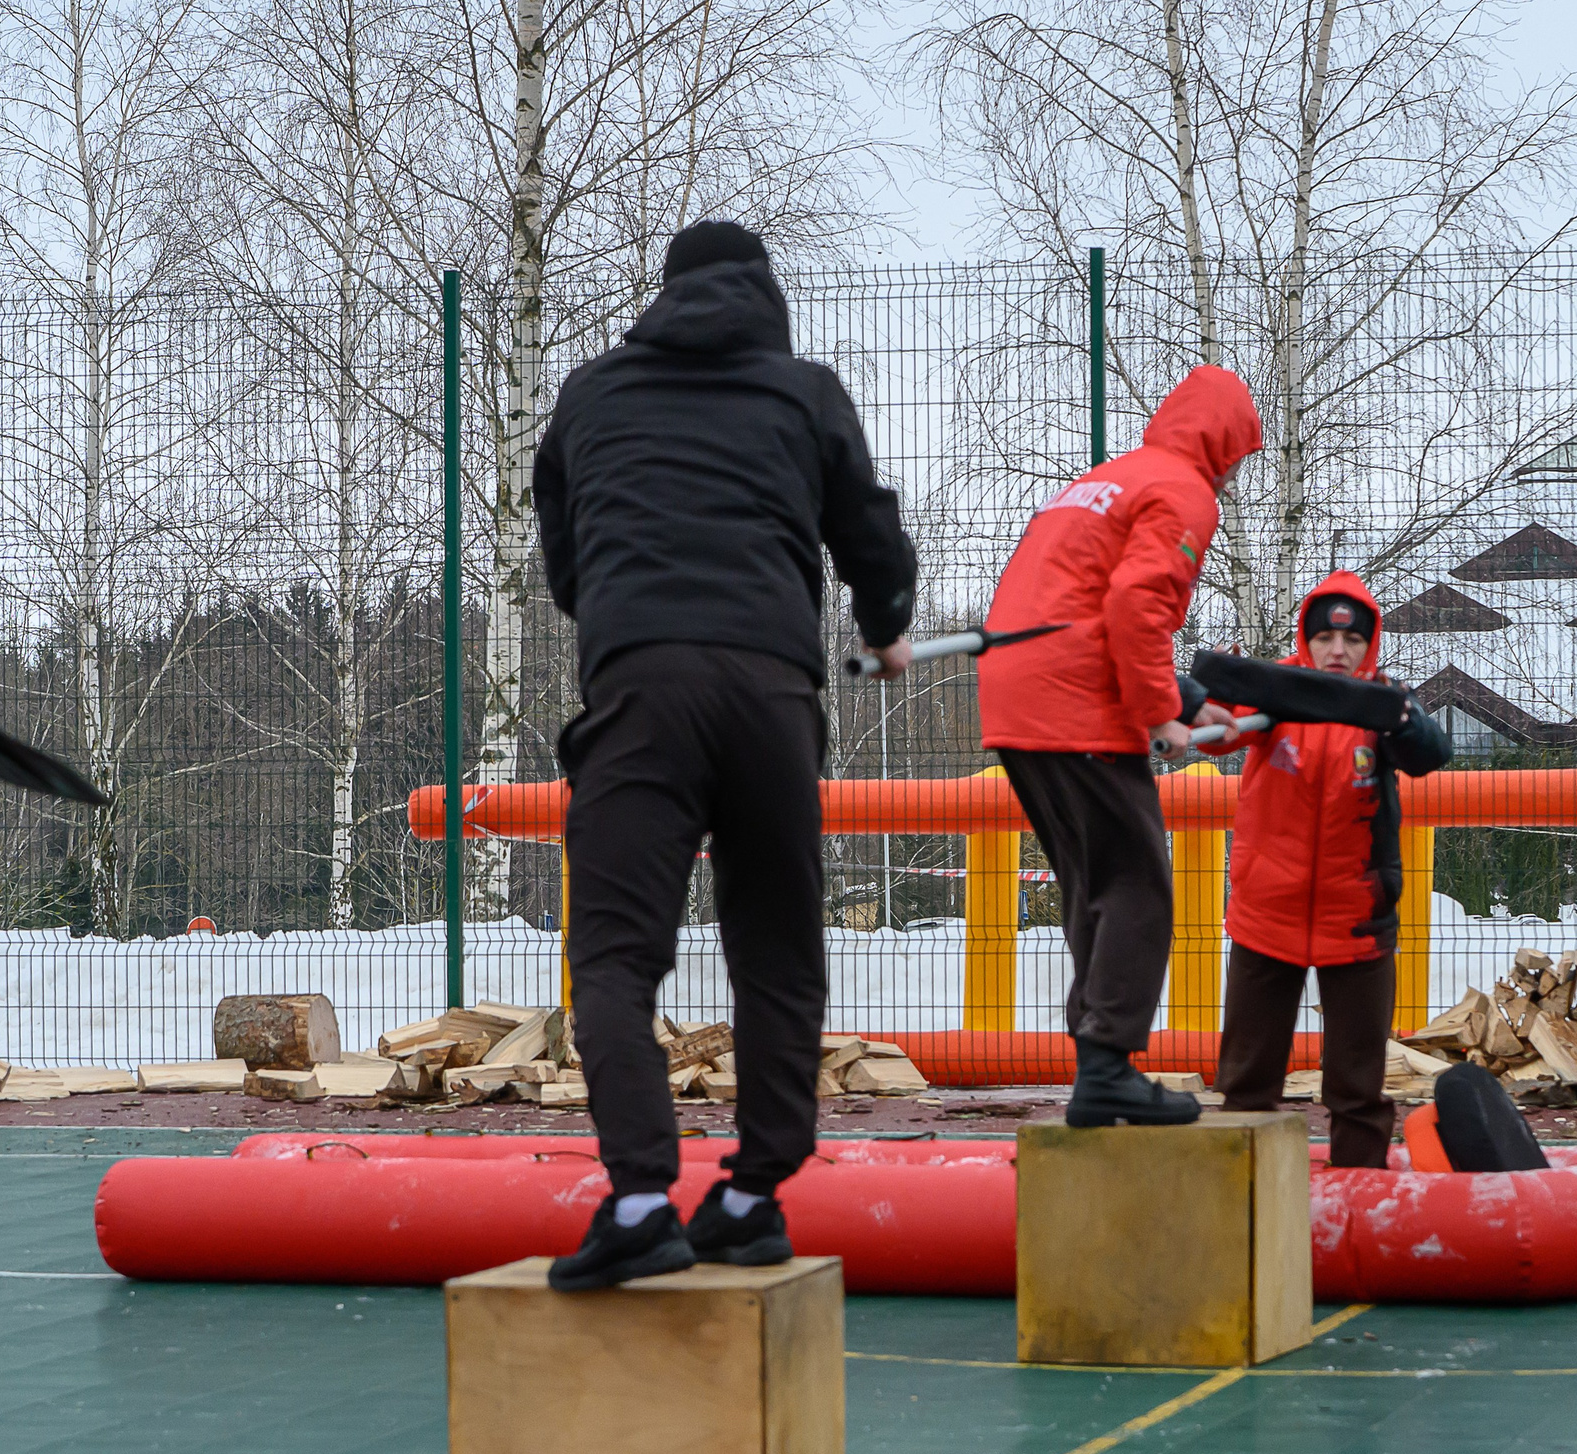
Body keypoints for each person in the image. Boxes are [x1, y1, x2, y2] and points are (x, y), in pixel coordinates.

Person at [531, 220, 918, 1291]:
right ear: (765, 294)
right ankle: (752, 1196)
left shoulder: (590, 393)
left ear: (664, 295)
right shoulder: (804, 392)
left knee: (616, 955)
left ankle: (643, 1196)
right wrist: (886, 624)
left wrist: (627, 602)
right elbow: (869, 530)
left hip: (641, 685)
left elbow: (564, 561)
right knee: (778, 945)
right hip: (773, 694)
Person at [976, 366, 1262, 1126]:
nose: (1234, 477)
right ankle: (1107, 1064)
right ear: (1226, 444)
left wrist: (1185, 699)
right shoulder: (1183, 491)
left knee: (1093, 883)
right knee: (1139, 885)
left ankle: (1097, 1061)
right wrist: (1162, 717)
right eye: (1239, 458)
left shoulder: (1106, 479)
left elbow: (1078, 601)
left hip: (1014, 692)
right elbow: (1137, 605)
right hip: (1077, 703)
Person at [1208, 574, 1449, 1166]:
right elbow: (1214, 734)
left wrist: (1402, 721)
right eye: (1323, 639)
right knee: (1246, 1082)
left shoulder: (1383, 702)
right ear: (1305, 640)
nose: (1337, 651)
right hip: (1267, 917)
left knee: (1358, 1088)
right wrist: (1213, 695)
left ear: (1371, 644)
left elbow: (1429, 753)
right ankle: (1243, 1205)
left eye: (1352, 641)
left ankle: (1363, 1210)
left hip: (1358, 921)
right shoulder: (1276, 692)